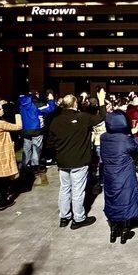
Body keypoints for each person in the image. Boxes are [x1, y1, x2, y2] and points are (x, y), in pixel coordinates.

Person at [48, 89, 107, 229]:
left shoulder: (56, 121)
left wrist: (61, 148)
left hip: (63, 161)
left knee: (64, 189)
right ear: (75, 104)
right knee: (78, 190)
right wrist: (102, 101)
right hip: (79, 160)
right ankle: (78, 218)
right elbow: (101, 117)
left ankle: (64, 216)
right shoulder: (82, 117)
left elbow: (50, 143)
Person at [100, 110, 138, 244]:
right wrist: (132, 134)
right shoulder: (126, 138)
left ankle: (113, 231)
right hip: (124, 173)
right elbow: (135, 148)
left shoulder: (103, 137)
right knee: (126, 199)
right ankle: (124, 230)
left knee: (112, 200)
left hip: (109, 174)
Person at [19, 92, 55, 173]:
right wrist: (51, 100)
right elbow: (50, 109)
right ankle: (35, 166)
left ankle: (25, 165)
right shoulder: (36, 102)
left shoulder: (21, 103)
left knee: (26, 147)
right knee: (36, 148)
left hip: (25, 129)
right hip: (36, 129)